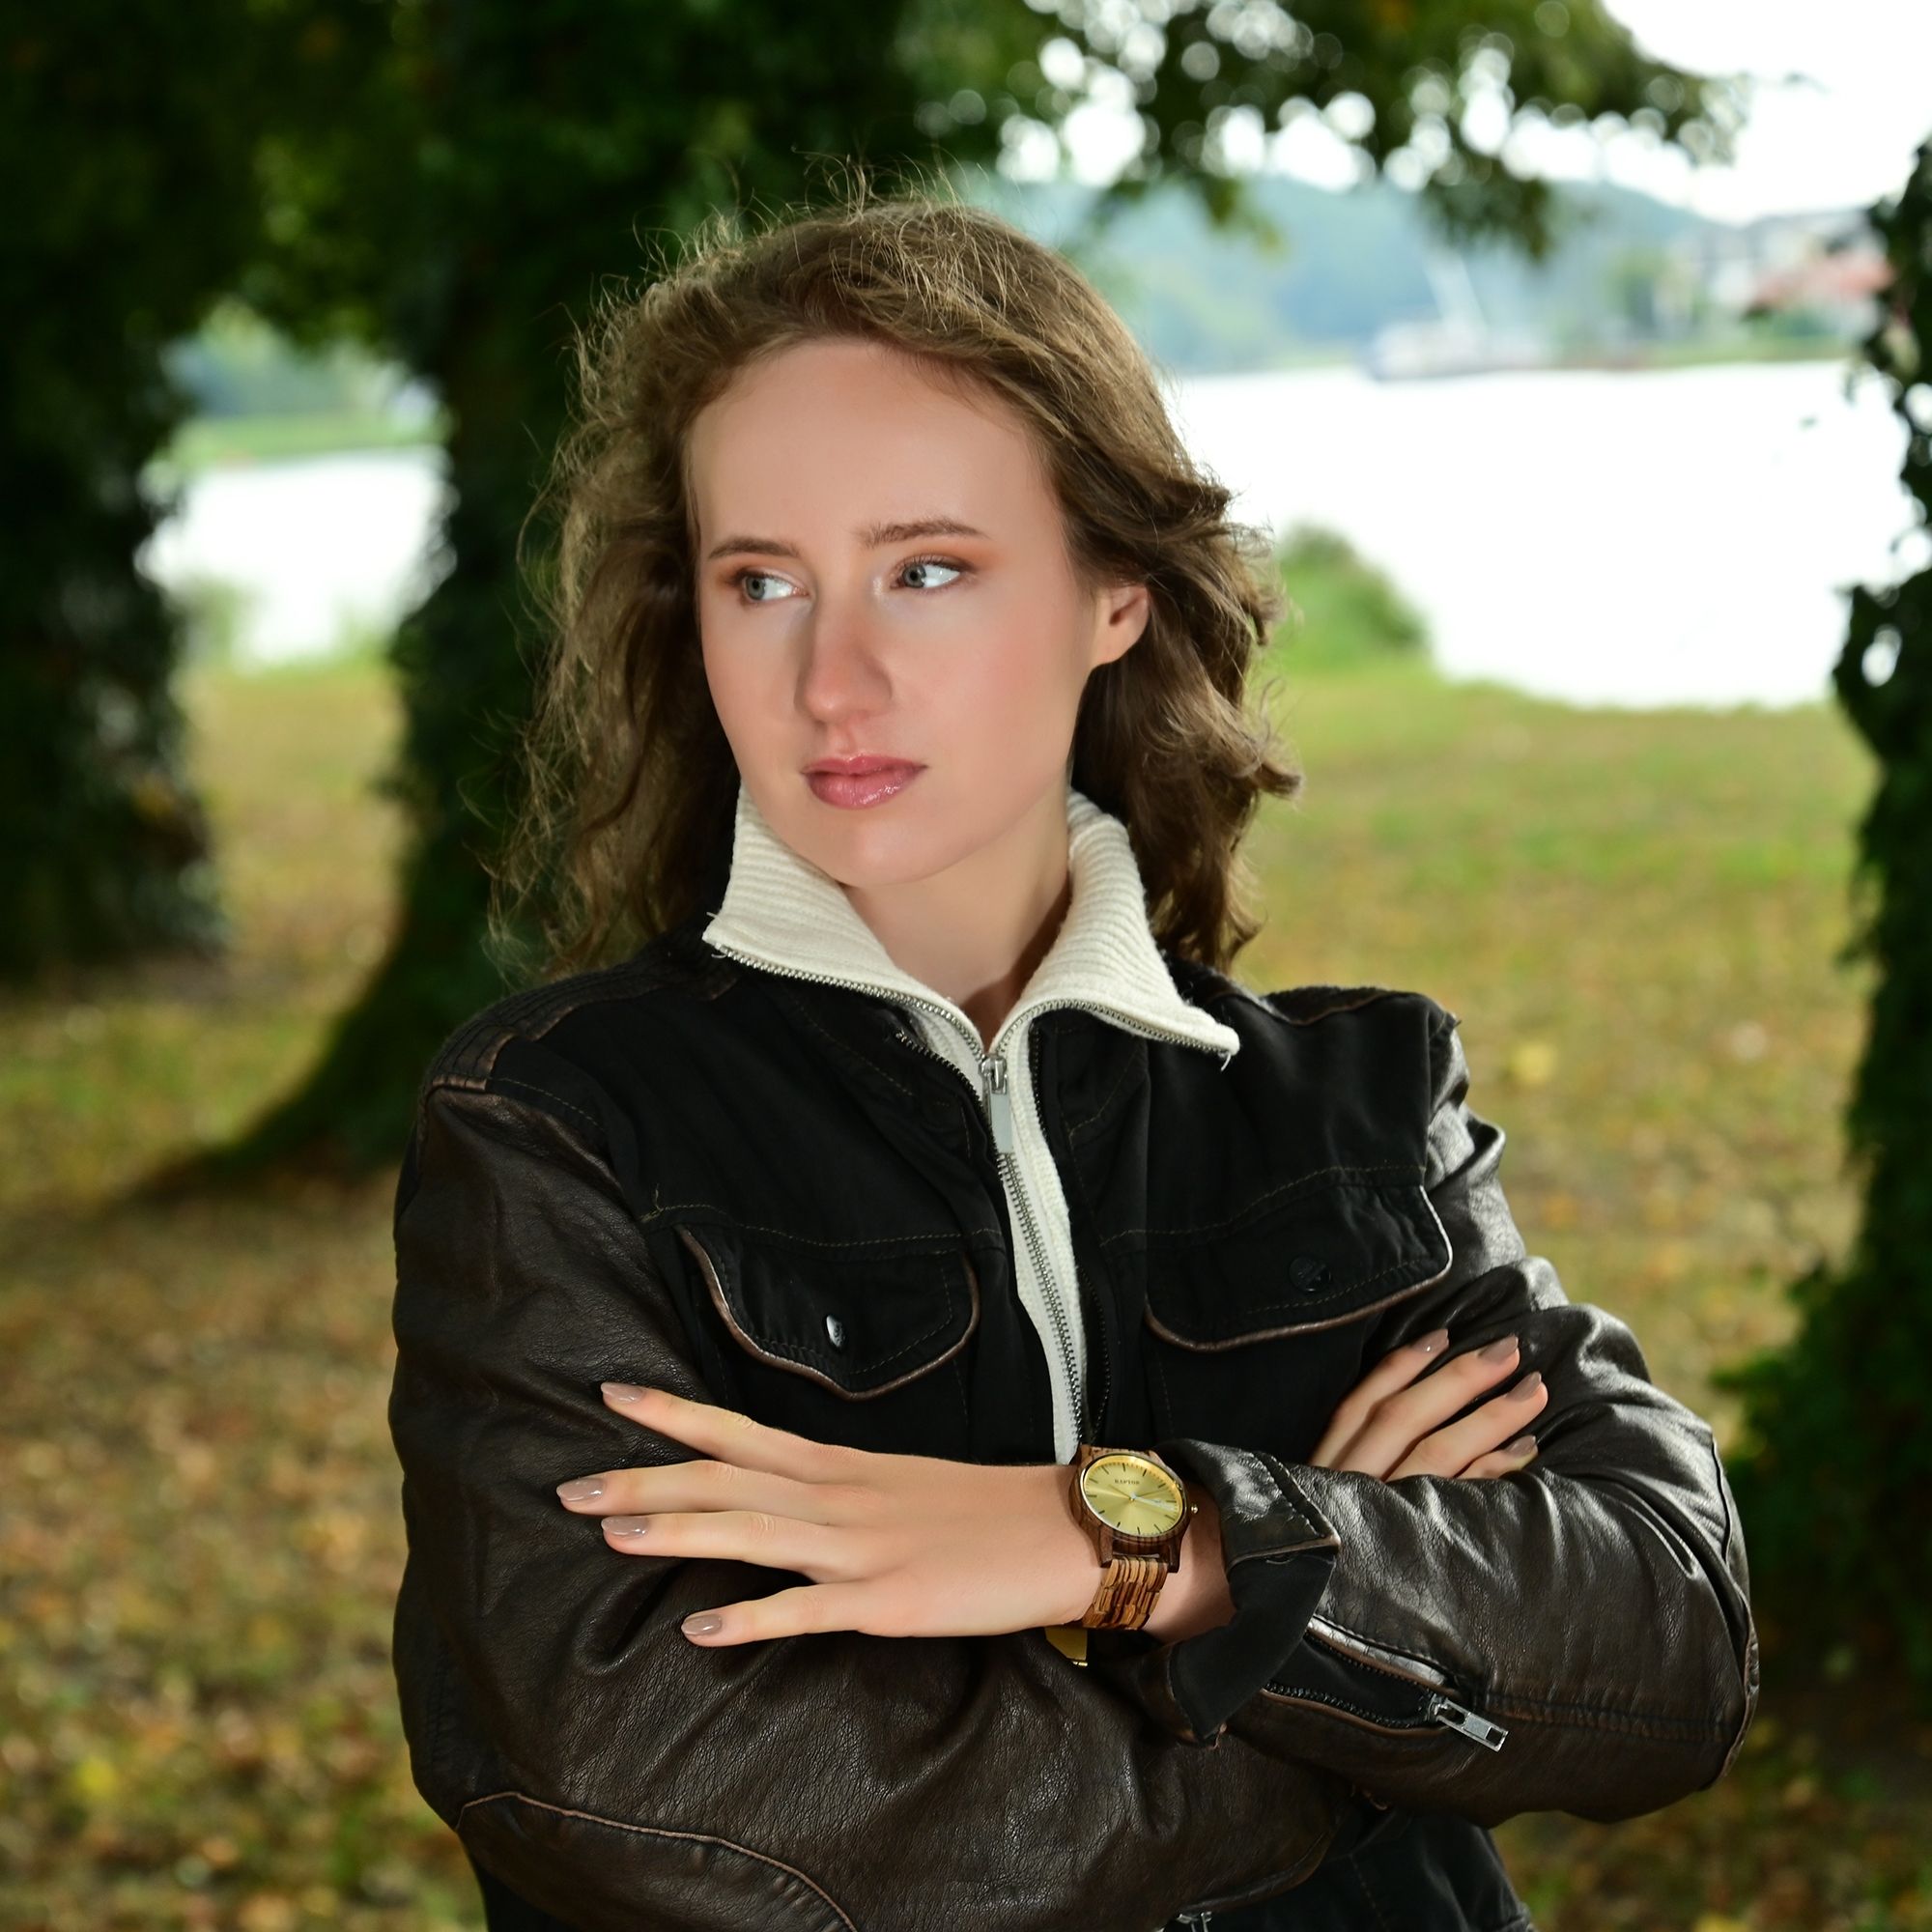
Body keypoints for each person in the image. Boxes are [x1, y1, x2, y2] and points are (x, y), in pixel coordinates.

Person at [386, 185, 1759, 1932]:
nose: (833, 679)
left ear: (1116, 592)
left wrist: (1124, 1535)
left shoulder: (1353, 1105)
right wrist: (1337, 1694)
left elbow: (1667, 1635)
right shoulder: (560, 1131)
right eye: (764, 582)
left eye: (928, 570)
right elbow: (640, 1789)